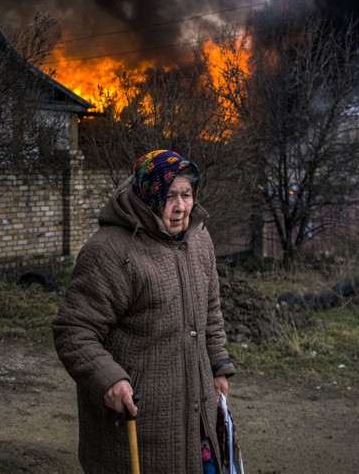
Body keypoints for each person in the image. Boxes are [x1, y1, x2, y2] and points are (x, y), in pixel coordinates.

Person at [52, 149, 235, 473]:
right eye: (170, 196)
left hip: (198, 413)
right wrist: (109, 380)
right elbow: (74, 330)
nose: (181, 207)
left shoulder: (199, 239)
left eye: (187, 195)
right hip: (138, 419)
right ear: (149, 194)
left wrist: (218, 365)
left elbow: (210, 308)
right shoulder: (109, 252)